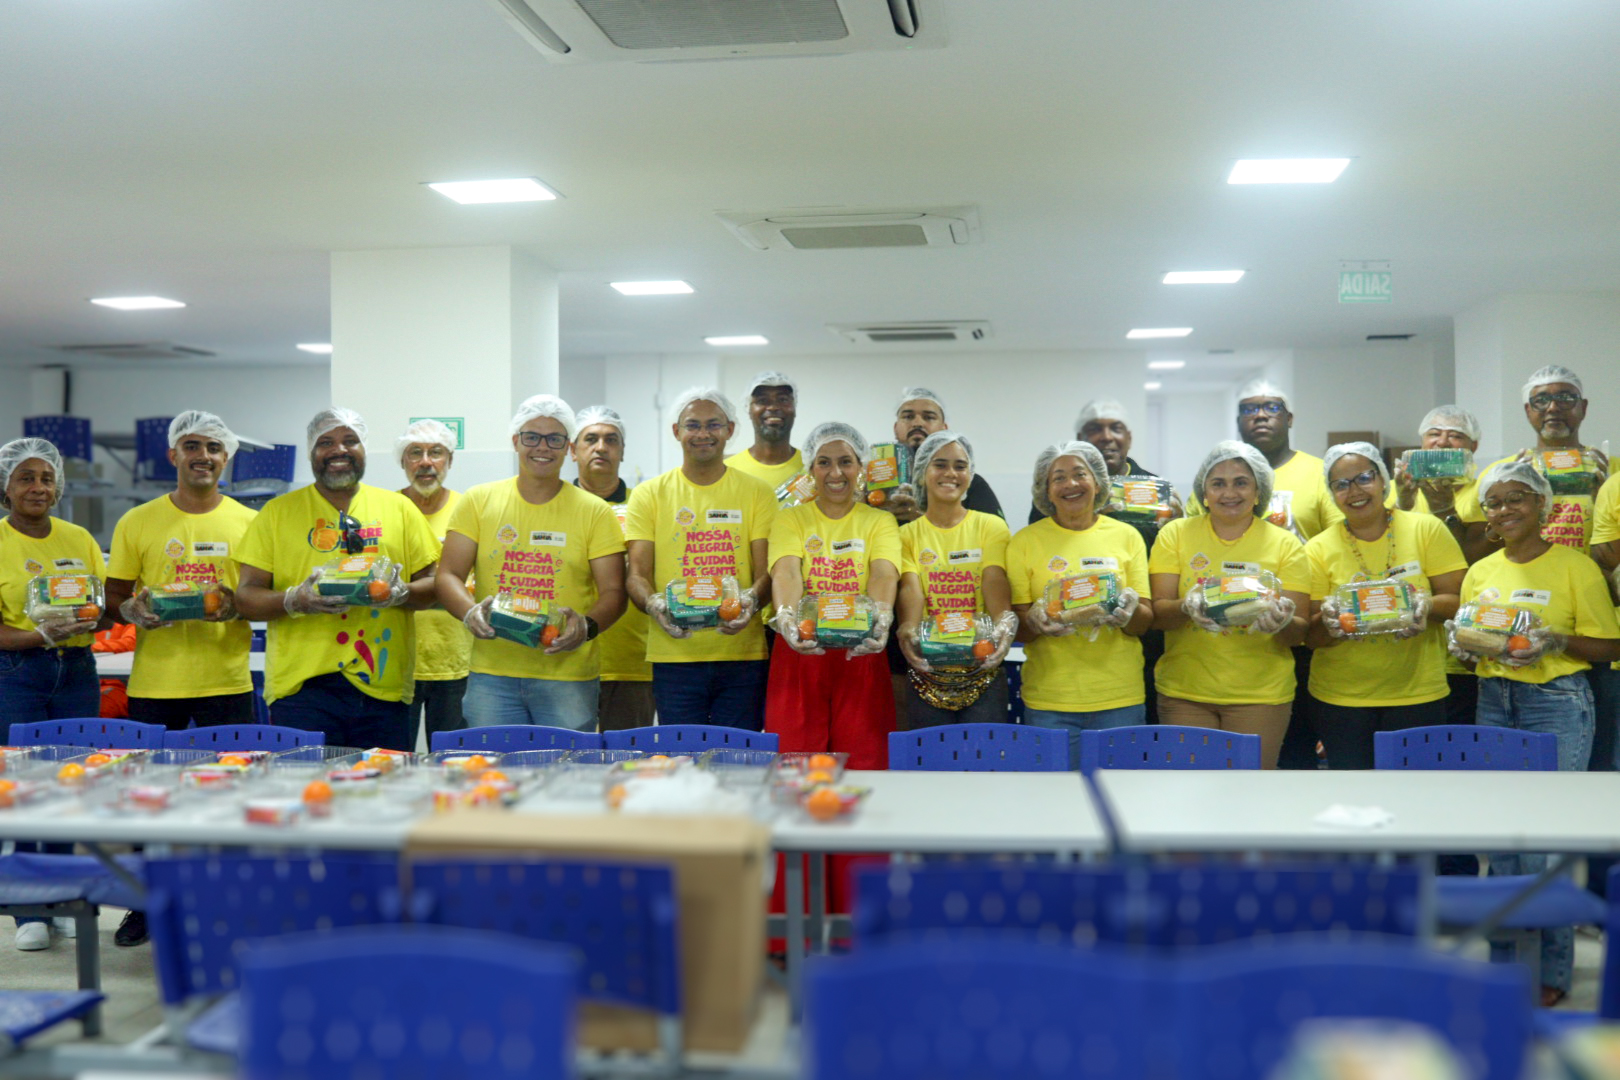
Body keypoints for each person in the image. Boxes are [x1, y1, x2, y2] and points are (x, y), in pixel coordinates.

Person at [1447, 460, 1620, 1006]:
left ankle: (1550, 972)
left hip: (1557, 703)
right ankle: (1505, 968)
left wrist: (1555, 641)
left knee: (1545, 845)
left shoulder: (1575, 567)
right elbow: (1476, 642)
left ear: (1543, 505)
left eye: (1517, 498)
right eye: (1494, 502)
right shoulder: (1481, 570)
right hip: (1494, 700)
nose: (1505, 510)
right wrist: (1463, 645)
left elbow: (1611, 646)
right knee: (1501, 839)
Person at [235, 408, 439, 750]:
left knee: (384, 781)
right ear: (311, 452)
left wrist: (400, 593)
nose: (339, 450)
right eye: (326, 442)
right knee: (309, 782)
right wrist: (294, 600)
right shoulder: (276, 514)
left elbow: (433, 585)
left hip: (383, 686)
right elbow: (245, 598)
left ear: (364, 449)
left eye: (350, 440)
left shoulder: (400, 509)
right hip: (301, 688)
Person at [435, 396, 625, 731]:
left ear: (568, 448)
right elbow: (448, 574)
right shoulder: (479, 500)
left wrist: (586, 626)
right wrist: (469, 611)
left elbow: (614, 591)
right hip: (492, 675)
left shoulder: (594, 511)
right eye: (532, 437)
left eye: (554, 439)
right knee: (493, 763)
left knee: (566, 763)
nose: (542, 447)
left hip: (567, 675)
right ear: (515, 441)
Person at [0, 438, 109, 952]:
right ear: (6, 487)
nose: (38, 487)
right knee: (23, 785)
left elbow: (100, 608)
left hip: (78, 671)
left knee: (69, 784)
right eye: (25, 477)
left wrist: (100, 617)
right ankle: (27, 908)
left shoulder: (79, 538)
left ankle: (62, 895)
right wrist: (37, 636)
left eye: (46, 478)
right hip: (17, 672)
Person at [1304, 442, 1466, 769]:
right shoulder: (1318, 548)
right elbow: (1310, 637)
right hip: (1342, 698)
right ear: (1332, 493)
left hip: (1418, 692)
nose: (1355, 491)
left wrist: (1423, 605)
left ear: (1382, 480)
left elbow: (1458, 603)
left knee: (1416, 792)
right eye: (1341, 484)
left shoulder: (1426, 529)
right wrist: (1331, 621)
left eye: (1364, 478)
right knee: (1354, 793)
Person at [1149, 441, 1310, 768]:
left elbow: (1299, 633)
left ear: (1258, 491)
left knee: (1248, 791)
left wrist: (1282, 621)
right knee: (1190, 789)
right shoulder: (1175, 534)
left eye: (1241, 483)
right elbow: (1158, 615)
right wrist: (1186, 607)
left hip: (1261, 695)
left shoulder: (1286, 544)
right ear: (1204, 492)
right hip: (1185, 692)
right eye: (1218, 483)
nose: (1229, 493)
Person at [625, 388, 776, 729]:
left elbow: (766, 571)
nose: (703, 434)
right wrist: (654, 605)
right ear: (676, 431)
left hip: (741, 655)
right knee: (682, 754)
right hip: (674, 655)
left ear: (730, 430)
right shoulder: (649, 494)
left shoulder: (757, 493)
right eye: (693, 425)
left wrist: (751, 601)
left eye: (713, 425)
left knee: (737, 754)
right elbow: (636, 573)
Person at [107, 412, 258, 731]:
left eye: (213, 447)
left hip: (227, 683)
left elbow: (263, 596)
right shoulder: (136, 521)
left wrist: (236, 607)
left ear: (225, 458)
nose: (204, 455)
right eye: (191, 446)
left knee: (231, 763)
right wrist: (132, 611)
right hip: (155, 684)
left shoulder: (250, 523)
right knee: (151, 765)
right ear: (173, 456)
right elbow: (114, 596)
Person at [1009, 442, 1153, 765]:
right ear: (1046, 490)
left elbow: (1144, 622)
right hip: (1050, 700)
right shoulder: (1024, 542)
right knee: (1055, 794)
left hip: (1119, 696)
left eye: (1080, 474)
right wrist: (1034, 620)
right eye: (1058, 478)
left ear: (1098, 482)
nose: (1070, 484)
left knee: (1120, 791)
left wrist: (1127, 612)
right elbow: (1018, 627)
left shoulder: (1127, 536)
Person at [766, 422, 900, 767]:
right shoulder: (790, 519)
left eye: (846, 462)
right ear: (810, 469)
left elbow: (883, 573)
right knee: (796, 765)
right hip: (801, 650)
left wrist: (881, 617)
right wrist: (787, 618)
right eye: (824, 462)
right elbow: (786, 571)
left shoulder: (879, 521)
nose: (835, 472)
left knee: (864, 764)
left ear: (861, 467)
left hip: (861, 651)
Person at [895, 432, 1018, 728]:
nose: (951, 473)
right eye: (940, 464)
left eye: (960, 466)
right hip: (927, 671)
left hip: (983, 669)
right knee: (929, 755)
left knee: (985, 754)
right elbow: (911, 588)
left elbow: (993, 579)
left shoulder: (991, 526)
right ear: (922, 473)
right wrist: (909, 628)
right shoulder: (906, 534)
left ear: (970, 475)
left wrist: (1003, 625)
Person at [1390, 405, 1491, 727]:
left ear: (1474, 446)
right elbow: (1383, 555)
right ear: (1421, 443)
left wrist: (1444, 509)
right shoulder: (1399, 490)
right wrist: (1404, 503)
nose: (1443, 442)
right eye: (1434, 434)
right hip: (1409, 646)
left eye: (1455, 436)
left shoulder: (1486, 491)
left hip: (1464, 647)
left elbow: (1474, 564)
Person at [1468, 365, 1609, 557]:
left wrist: (1607, 501)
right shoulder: (1498, 475)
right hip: (1526, 574)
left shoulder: (1612, 470)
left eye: (1565, 398)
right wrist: (1510, 501)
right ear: (1528, 410)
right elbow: (1475, 552)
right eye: (1541, 400)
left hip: (1593, 574)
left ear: (1583, 408)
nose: (1553, 407)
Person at [571, 405, 654, 732]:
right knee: (567, 758)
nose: (601, 447)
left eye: (611, 440)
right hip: (564, 660)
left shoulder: (644, 505)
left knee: (628, 759)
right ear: (573, 450)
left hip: (630, 662)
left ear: (622, 451)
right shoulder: (556, 505)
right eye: (590, 439)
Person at [395, 419, 471, 744]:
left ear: (449, 460)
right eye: (415, 453)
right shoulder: (388, 511)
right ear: (403, 461)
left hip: (457, 662)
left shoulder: (467, 510)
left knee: (454, 760)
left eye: (436, 452)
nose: (426, 462)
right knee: (392, 757)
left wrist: (417, 590)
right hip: (396, 661)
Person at [885, 388, 1003, 523]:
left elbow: (994, 531)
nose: (917, 423)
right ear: (895, 428)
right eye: (908, 417)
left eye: (929, 417)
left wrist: (924, 521)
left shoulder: (967, 482)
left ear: (944, 429)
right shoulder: (877, 481)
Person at [724, 371, 804, 494]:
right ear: (748, 409)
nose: (773, 407)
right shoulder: (727, 471)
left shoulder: (813, 468)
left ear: (794, 407)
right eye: (762, 400)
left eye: (783, 399)